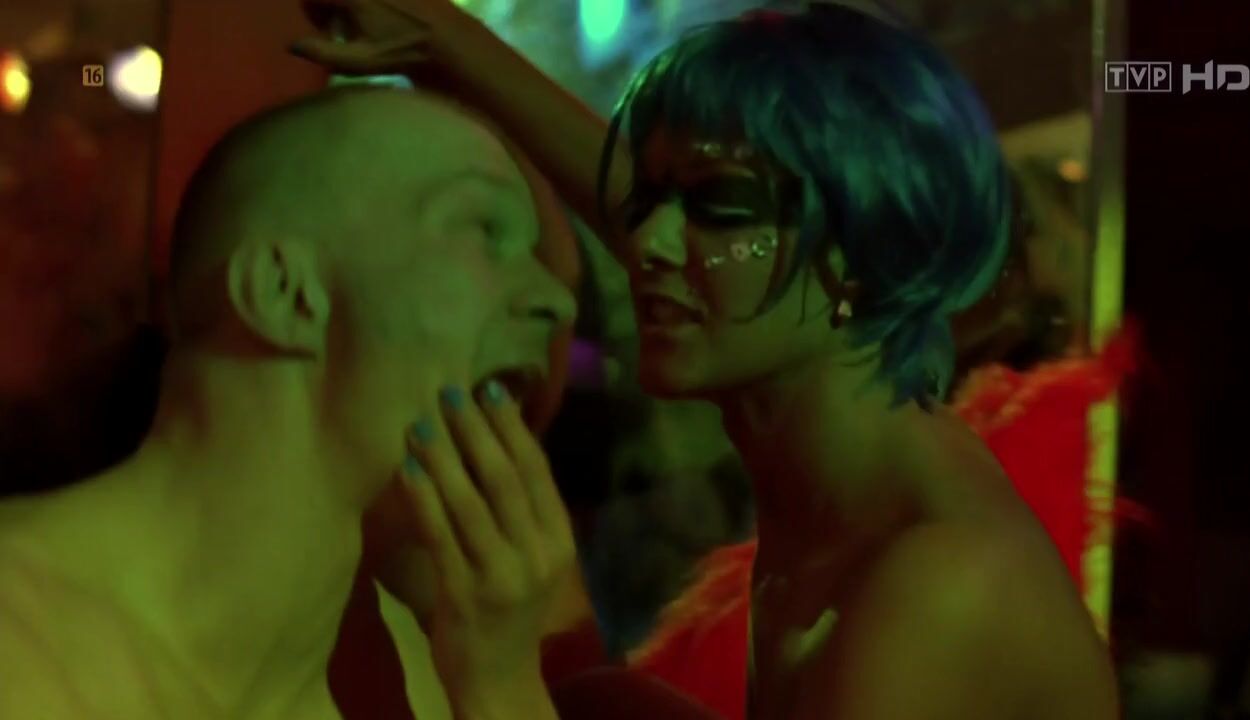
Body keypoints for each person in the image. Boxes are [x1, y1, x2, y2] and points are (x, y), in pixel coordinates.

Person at [292, 2, 1120, 718]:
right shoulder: (847, 470)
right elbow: (678, 216)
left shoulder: (933, 585)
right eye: (652, 202)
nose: (647, 243)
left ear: (861, 255)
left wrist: (497, 680)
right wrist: (438, 38)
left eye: (714, 206)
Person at [0, 86, 579, 719]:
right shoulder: (23, 634)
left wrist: (504, 690)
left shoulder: (415, 676)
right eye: (482, 231)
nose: (556, 301)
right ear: (284, 292)